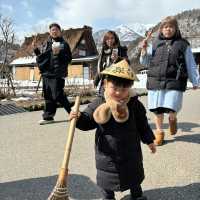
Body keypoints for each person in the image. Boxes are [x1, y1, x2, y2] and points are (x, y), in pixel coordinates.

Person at [69, 59, 156, 200]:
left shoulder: (134, 104)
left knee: (133, 176)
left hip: (131, 151)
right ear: (105, 84)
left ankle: (137, 196)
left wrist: (149, 140)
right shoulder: (99, 102)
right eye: (114, 88)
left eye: (123, 89)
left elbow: (143, 124)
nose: (118, 93)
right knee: (106, 181)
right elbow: (87, 122)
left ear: (130, 87)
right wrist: (78, 118)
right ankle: (108, 198)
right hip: (106, 152)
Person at [140, 16, 200, 145]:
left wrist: (195, 80)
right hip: (155, 80)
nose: (168, 29)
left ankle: (173, 118)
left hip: (175, 81)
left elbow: (191, 63)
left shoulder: (183, 44)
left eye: (171, 27)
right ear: (161, 29)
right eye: (165, 27)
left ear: (176, 28)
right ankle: (159, 133)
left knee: (172, 107)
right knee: (158, 110)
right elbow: (145, 62)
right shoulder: (155, 44)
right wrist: (144, 50)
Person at [32, 23, 72, 125]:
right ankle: (48, 117)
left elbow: (69, 59)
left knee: (58, 95)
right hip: (47, 74)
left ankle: (73, 114)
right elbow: (42, 57)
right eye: (52, 30)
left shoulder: (64, 44)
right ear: (50, 32)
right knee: (48, 95)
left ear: (60, 31)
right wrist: (35, 49)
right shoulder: (46, 44)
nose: (54, 31)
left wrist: (59, 53)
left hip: (58, 74)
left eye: (56, 29)